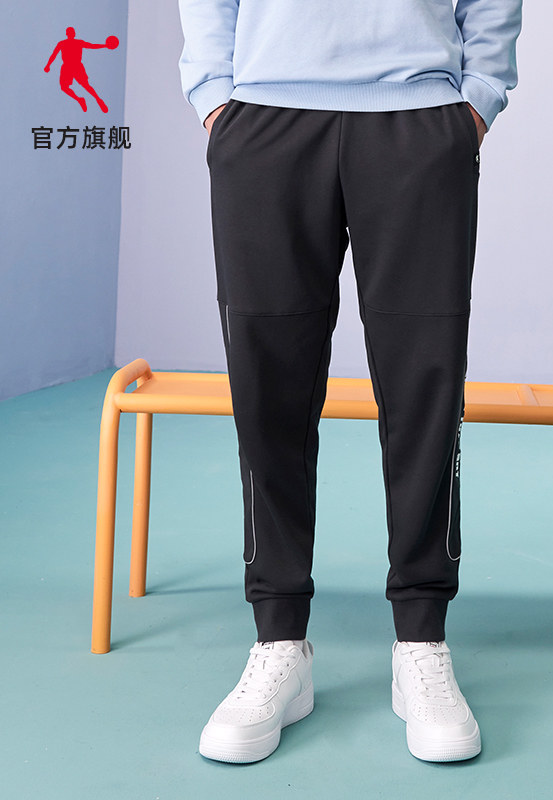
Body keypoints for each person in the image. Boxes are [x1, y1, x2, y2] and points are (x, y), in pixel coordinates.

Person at [177, 0, 523, 764]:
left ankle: (421, 641)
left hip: (418, 116)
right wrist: (214, 96)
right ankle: (279, 641)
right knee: (267, 386)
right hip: (264, 118)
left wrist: (478, 97)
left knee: (425, 383)